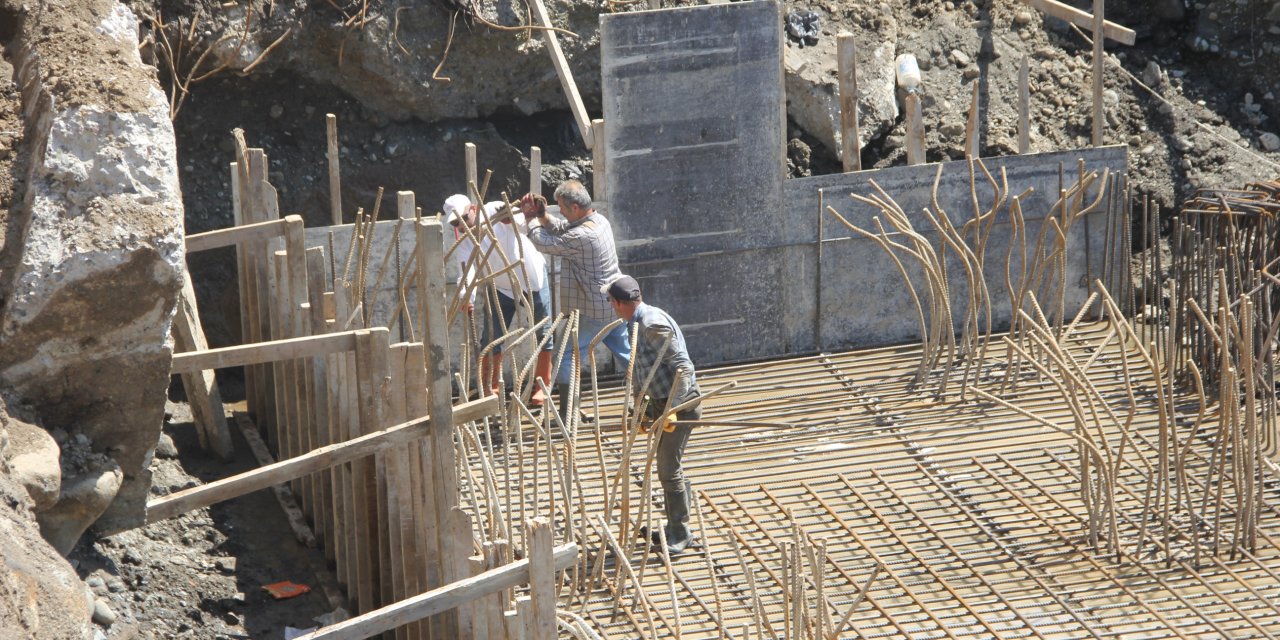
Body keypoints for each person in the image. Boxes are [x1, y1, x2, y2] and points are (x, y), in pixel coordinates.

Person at [603, 275, 701, 554]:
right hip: (661, 403)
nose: (610, 306)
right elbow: (642, 373)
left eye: (611, 301)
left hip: (680, 406)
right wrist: (642, 412)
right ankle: (674, 526)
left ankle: (680, 534)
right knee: (670, 468)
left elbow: (684, 368)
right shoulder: (635, 323)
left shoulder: (651, 324)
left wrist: (674, 409)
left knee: (669, 470)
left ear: (621, 303)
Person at [518, 181, 631, 419]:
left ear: (576, 207)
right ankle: (654, 393)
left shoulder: (583, 236)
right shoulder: (599, 221)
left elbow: (544, 243)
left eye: (562, 207)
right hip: (614, 305)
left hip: (592, 310)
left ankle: (569, 414)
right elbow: (562, 228)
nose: (561, 211)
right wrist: (542, 215)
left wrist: (530, 218)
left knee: (564, 355)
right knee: (627, 355)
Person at [443, 194, 554, 406]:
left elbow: (520, 221)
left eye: (464, 219)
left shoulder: (493, 209)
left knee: (543, 331)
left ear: (474, 209)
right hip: (501, 287)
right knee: (492, 337)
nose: (461, 226)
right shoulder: (464, 242)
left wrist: (514, 215)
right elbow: (466, 272)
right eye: (456, 223)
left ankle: (542, 385)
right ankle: (491, 387)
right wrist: (467, 296)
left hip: (531, 280)